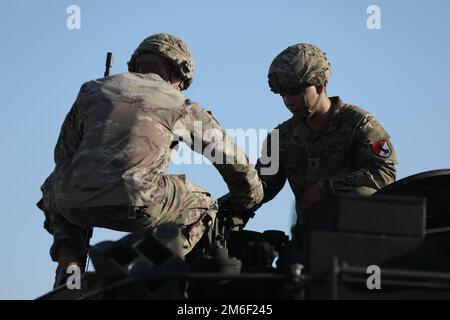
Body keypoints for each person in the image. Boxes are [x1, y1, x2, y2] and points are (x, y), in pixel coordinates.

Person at [37, 33, 263, 287]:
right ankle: (147, 269)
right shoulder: (180, 104)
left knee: (57, 187)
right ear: (178, 72)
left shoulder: (92, 89)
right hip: (139, 200)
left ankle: (70, 272)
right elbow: (233, 161)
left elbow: (63, 155)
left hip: (74, 202)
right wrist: (249, 197)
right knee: (205, 206)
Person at [255, 43, 397, 222]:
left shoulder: (359, 124)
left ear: (320, 87)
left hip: (358, 233)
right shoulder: (281, 138)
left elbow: (384, 173)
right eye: (283, 93)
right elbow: (259, 189)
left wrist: (326, 189)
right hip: (308, 239)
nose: (288, 101)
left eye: (295, 92)